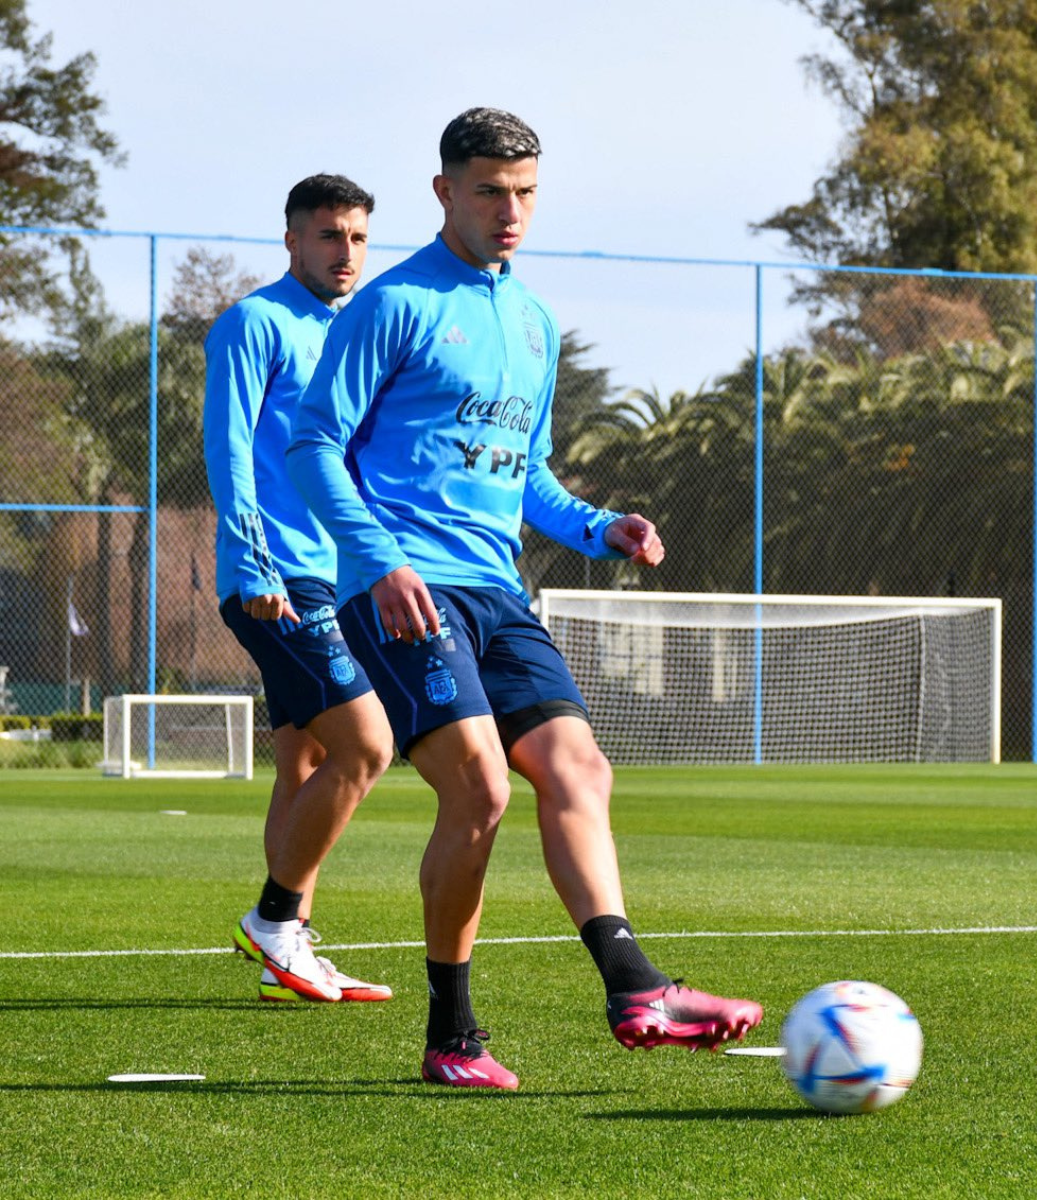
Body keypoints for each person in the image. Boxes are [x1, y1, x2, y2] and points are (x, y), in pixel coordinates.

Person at [287, 109, 762, 1090]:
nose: (512, 211)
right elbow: (311, 447)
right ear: (446, 192)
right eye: (492, 190)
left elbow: (528, 474)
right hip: (403, 590)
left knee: (579, 769)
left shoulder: (535, 321)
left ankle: (636, 986)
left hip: (499, 592)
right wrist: (379, 562)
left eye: (527, 192)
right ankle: (452, 1039)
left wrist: (599, 528)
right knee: (483, 790)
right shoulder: (394, 306)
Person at [203, 174, 396, 1005]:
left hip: (340, 574)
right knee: (366, 745)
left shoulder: (359, 333)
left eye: (356, 237)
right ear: (292, 240)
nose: (344, 252)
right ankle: (276, 918)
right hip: (278, 574)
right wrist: (252, 562)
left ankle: (292, 953)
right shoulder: (256, 321)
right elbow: (230, 447)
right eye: (328, 236)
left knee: (305, 760)